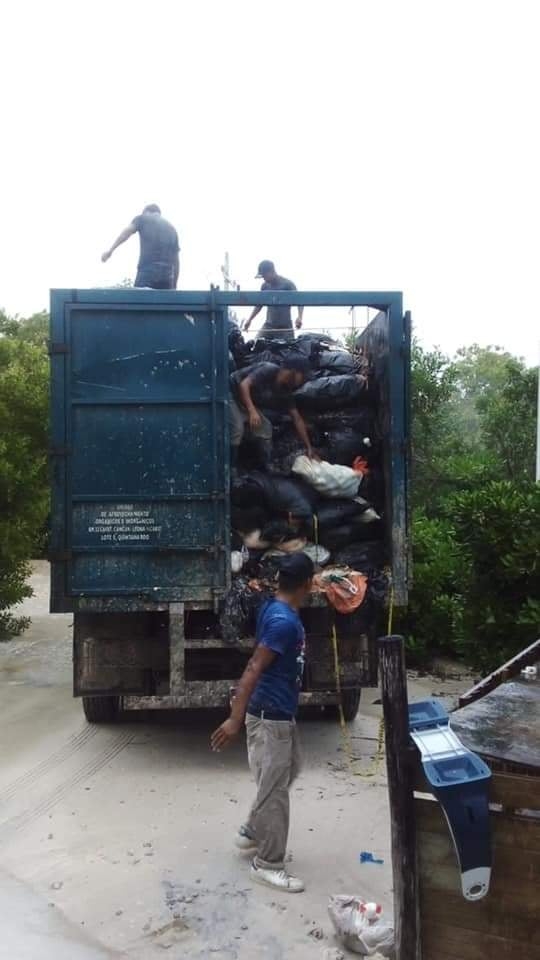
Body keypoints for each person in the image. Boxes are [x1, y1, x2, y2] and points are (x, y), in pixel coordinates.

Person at [211, 553, 314, 893]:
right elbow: (254, 666)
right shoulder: (282, 621)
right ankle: (268, 863)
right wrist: (234, 719)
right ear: (306, 585)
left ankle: (252, 830)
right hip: (270, 716)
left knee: (290, 769)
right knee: (276, 794)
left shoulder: (276, 608)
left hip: (280, 713)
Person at [229, 357, 316, 472]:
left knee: (265, 429)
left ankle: (268, 466)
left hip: (244, 403)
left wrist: (309, 447)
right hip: (230, 394)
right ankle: (230, 469)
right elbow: (244, 385)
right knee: (237, 429)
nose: (304, 380)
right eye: (303, 376)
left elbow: (297, 418)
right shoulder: (269, 369)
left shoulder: (285, 390)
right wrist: (252, 411)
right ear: (295, 371)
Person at [101, 204, 180, 289]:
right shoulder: (172, 229)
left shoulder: (143, 218)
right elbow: (176, 261)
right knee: (162, 302)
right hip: (167, 276)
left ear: (146, 211)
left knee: (140, 300)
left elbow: (127, 232)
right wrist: (174, 285)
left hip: (148, 271)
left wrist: (110, 250)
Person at [245, 260, 303, 342]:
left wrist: (300, 317)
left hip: (285, 328)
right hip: (269, 326)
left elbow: (300, 300)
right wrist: (250, 319)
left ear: (271, 272)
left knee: (289, 351)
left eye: (264, 276)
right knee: (255, 345)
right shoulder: (265, 286)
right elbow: (259, 305)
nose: (264, 279)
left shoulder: (287, 284)